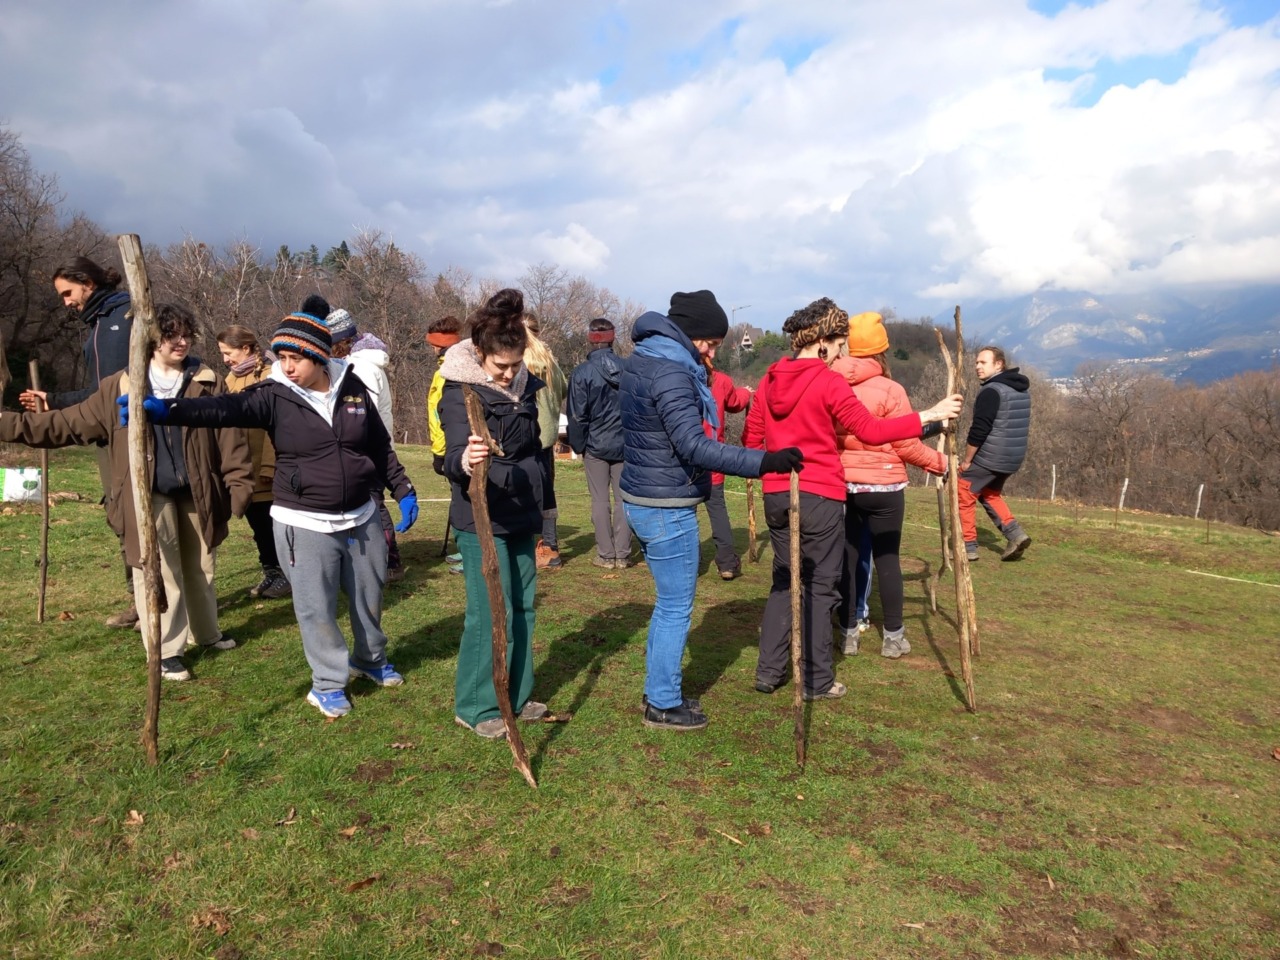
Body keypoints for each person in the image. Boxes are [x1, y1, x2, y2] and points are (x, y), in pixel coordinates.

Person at [126, 310, 419, 718]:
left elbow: (378, 444)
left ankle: (369, 659)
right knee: (316, 606)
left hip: (361, 514)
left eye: (295, 358)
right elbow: (223, 410)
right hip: (303, 519)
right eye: (280, 356)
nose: (287, 366)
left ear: (319, 356)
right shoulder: (274, 394)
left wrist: (402, 487)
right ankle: (328, 683)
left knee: (369, 596)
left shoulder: (352, 386)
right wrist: (166, 410)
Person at [4, 303, 252, 680]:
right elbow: (63, 425)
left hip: (198, 491)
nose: (182, 342)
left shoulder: (207, 381)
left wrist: (239, 484)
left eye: (187, 334)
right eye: (172, 336)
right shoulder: (121, 385)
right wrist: (7, 424)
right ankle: (167, 650)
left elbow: (230, 435)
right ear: (152, 340)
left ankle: (208, 633)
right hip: (147, 494)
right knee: (158, 571)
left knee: (202, 567)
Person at [744, 299, 962, 700]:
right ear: (824, 341)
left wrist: (772, 470)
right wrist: (929, 414)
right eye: (842, 345)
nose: (844, 354)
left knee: (785, 579)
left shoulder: (769, 379)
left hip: (777, 493)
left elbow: (752, 440)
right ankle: (816, 678)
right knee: (822, 584)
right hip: (820, 495)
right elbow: (871, 431)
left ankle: (769, 669)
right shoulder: (829, 382)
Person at [620, 290, 803, 732]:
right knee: (675, 607)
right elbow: (695, 446)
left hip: (643, 496)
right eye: (711, 342)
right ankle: (663, 702)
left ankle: (658, 690)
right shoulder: (671, 373)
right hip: (667, 505)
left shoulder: (643, 359)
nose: (712, 351)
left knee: (668, 605)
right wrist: (764, 462)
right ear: (690, 333)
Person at [438, 289, 548, 739]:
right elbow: (450, 453)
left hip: (523, 513)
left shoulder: (526, 387)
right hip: (482, 518)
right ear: (480, 354)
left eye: (515, 365)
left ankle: (516, 695)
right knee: (488, 610)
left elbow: (535, 450)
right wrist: (467, 459)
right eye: (499, 366)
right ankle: (477, 705)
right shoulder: (458, 390)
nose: (507, 374)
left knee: (522, 606)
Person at [20, 256, 137, 628]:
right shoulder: (98, 324)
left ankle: (157, 601)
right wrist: (53, 401)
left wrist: (57, 401)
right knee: (120, 515)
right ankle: (140, 599)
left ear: (87, 282)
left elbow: (116, 389)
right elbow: (98, 393)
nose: (66, 302)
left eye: (67, 293)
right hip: (108, 434)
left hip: (131, 432)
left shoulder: (127, 317)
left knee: (137, 514)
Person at [832, 312, 948, 658]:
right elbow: (905, 444)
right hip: (885, 488)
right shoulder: (892, 390)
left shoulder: (833, 385)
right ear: (882, 351)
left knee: (849, 558)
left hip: (847, 484)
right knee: (887, 560)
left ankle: (848, 632)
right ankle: (893, 637)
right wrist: (942, 463)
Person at [326, 307, 405, 582]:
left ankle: (389, 560)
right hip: (362, 447)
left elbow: (362, 414)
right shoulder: (357, 364)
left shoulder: (361, 368)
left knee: (373, 504)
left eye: (334, 343)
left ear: (345, 341)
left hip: (369, 448)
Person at [216, 324, 289, 600]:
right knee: (257, 526)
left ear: (246, 348)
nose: (225, 359)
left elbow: (277, 425)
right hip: (243, 469)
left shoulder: (270, 375)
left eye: (228, 352)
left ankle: (284, 572)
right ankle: (270, 571)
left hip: (265, 470)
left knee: (270, 525)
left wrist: (272, 466)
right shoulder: (230, 380)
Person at [566, 318, 630, 569]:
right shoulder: (628, 369)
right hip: (625, 444)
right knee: (624, 499)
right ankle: (622, 554)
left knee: (600, 500)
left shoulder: (582, 372)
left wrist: (579, 446)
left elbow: (577, 415)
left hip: (596, 445)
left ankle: (606, 554)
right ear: (612, 338)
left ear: (591, 339)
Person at [960, 346, 1032, 561]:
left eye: (983, 362)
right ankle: (1016, 535)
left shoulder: (992, 390)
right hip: (1013, 456)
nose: (977, 367)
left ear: (999, 364)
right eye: (976, 363)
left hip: (990, 455)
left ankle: (967, 546)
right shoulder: (1020, 390)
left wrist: (967, 460)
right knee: (989, 493)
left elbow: (979, 430)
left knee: (964, 491)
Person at [521, 311, 568, 570]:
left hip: (524, 436)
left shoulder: (516, 358)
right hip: (547, 436)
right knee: (547, 491)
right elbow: (563, 388)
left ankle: (529, 546)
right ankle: (550, 546)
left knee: (523, 491)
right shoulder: (549, 359)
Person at [701, 360, 753, 580]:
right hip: (713, 455)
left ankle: (689, 564)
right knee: (717, 510)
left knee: (685, 513)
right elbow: (735, 402)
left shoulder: (679, 378)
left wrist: (742, 393)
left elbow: (734, 402)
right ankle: (726, 563)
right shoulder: (721, 380)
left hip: (686, 458)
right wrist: (745, 393)